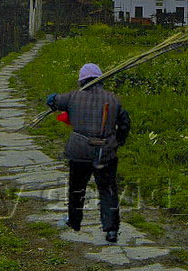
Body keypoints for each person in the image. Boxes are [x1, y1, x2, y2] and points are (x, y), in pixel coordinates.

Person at [46, 63, 131, 243]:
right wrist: (119, 141)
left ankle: (74, 221)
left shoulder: (72, 97)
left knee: (76, 188)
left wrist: (52, 99)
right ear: (100, 80)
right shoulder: (113, 99)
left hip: (79, 151)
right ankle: (111, 231)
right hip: (105, 152)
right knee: (108, 190)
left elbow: (54, 101)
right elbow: (125, 123)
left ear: (82, 80)